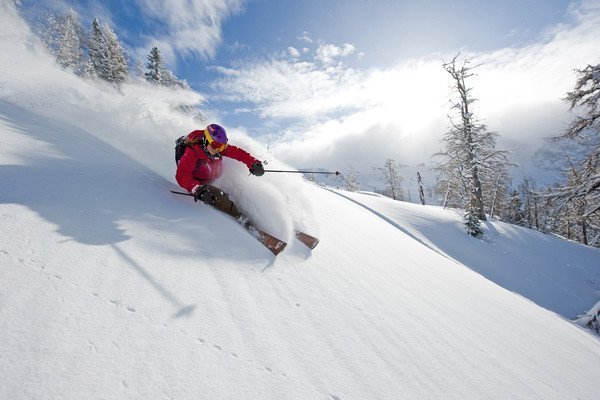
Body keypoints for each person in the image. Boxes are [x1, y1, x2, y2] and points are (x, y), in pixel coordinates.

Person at [175, 124, 264, 219]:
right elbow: (182, 175)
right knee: (219, 197)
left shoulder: (216, 149)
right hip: (198, 184)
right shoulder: (192, 152)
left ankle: (241, 210)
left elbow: (238, 153)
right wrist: (197, 189)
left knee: (233, 190)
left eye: (221, 147)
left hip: (213, 180)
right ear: (206, 140)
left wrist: (253, 163)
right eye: (215, 145)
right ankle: (239, 218)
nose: (217, 149)